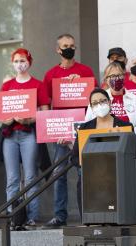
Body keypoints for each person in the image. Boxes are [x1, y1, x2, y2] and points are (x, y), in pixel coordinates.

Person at [42, 34, 96, 228]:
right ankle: (59, 216)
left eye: (72, 45)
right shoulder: (50, 74)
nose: (69, 48)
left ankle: (89, 215)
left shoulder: (85, 70)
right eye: (65, 46)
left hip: (81, 129)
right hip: (60, 130)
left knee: (85, 173)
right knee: (59, 174)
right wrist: (51, 129)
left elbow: (95, 96)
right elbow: (45, 103)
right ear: (58, 49)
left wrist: (79, 81)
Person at [0, 48, 50, 228]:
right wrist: (6, 119)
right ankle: (13, 217)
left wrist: (29, 119)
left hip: (29, 134)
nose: (19, 64)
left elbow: (45, 112)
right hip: (10, 135)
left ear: (29, 61)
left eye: (22, 60)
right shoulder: (7, 86)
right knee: (12, 178)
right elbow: (1, 113)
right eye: (16, 61)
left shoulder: (38, 84)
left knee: (30, 177)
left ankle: (31, 217)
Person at [71, 88, 134, 215]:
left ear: (110, 103)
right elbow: (74, 157)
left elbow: (131, 153)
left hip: (117, 180)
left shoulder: (124, 126)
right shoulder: (84, 128)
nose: (99, 105)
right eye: (95, 103)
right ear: (91, 107)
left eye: (102, 101)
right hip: (91, 181)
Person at [85, 62, 136, 130]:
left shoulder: (135, 100)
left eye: (119, 75)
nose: (117, 78)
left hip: (128, 138)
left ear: (124, 77)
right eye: (113, 76)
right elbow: (88, 125)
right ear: (106, 80)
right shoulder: (97, 100)